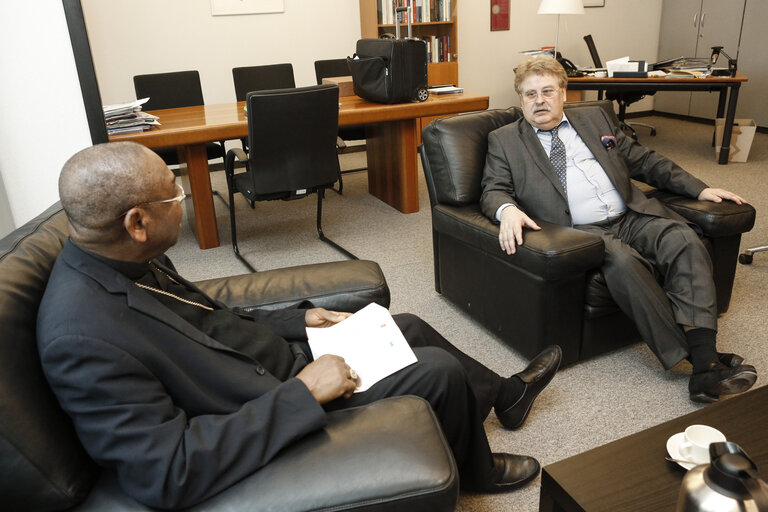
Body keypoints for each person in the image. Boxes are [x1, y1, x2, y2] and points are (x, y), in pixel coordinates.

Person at [37, 141, 562, 509]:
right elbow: (165, 470)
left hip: (277, 363)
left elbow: (211, 321)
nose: (184, 202)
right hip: (272, 400)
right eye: (174, 196)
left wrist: (298, 317)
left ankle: (508, 397)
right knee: (436, 370)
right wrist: (306, 394)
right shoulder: (81, 337)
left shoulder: (123, 259)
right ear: (137, 222)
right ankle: (479, 472)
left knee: (403, 325)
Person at [480, 54, 757, 404]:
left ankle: (704, 367)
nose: (540, 101)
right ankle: (704, 361)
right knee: (624, 264)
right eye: (530, 94)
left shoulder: (595, 117)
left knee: (684, 238)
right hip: (580, 230)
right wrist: (507, 211)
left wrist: (699, 189)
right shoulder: (505, 140)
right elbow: (493, 189)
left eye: (547, 91)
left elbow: (643, 160)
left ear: (564, 93)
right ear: (520, 100)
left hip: (631, 213)